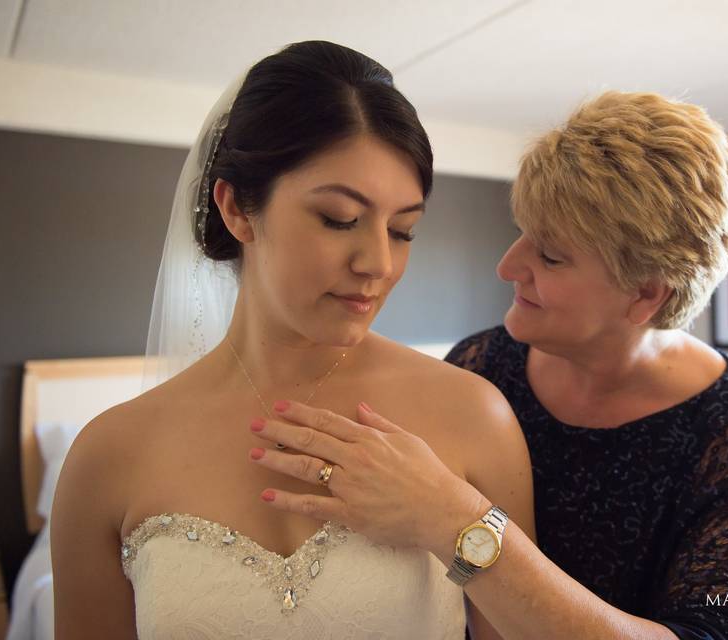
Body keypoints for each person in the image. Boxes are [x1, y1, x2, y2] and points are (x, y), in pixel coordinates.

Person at [257, 91, 728, 639]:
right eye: (522, 233)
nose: (507, 266)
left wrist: (456, 518)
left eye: (549, 255)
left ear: (646, 294)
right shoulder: (482, 366)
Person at [50, 41, 534, 640]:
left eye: (404, 230)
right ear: (236, 209)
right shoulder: (107, 457)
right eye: (338, 219)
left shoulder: (473, 417)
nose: (378, 263)